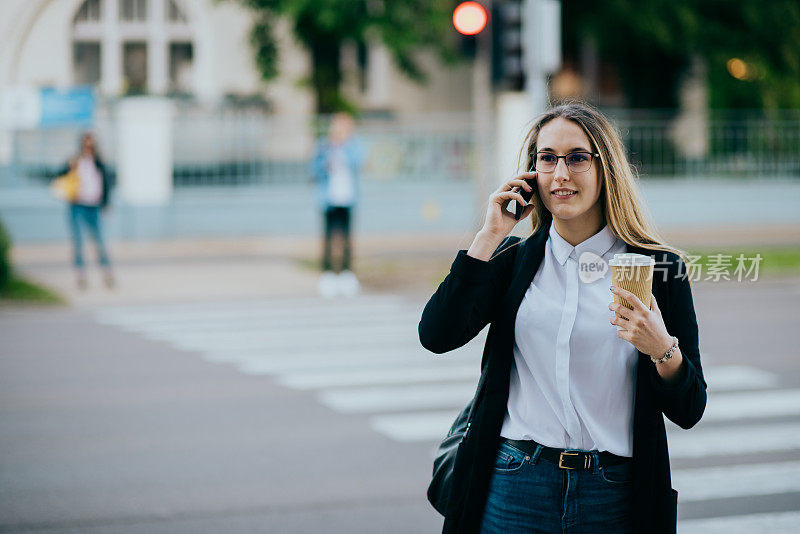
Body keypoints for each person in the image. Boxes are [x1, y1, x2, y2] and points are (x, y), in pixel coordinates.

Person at [419, 102, 706, 534]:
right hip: (515, 482)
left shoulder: (658, 269)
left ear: (604, 168)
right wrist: (488, 236)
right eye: (547, 157)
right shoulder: (510, 261)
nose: (560, 174)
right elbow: (436, 335)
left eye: (577, 158)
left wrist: (662, 349)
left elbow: (690, 408)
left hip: (614, 491)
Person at [311, 112, 364, 298]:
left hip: (348, 199)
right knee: (328, 237)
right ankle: (327, 274)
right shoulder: (324, 146)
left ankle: (347, 273)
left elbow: (359, 162)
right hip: (329, 199)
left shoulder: (353, 146)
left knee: (347, 237)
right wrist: (328, 150)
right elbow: (314, 169)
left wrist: (344, 145)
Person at [56, 132, 114, 290]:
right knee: (78, 241)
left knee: (100, 241)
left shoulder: (99, 162)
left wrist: (106, 203)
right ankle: (81, 275)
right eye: (85, 145)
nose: (88, 148)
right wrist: (70, 167)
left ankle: (107, 273)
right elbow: (60, 176)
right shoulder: (75, 160)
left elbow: (107, 181)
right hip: (77, 205)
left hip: (94, 206)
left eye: (91, 145)